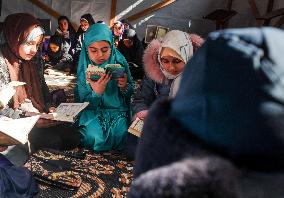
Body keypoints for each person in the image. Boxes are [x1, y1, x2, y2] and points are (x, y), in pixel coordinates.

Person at [129, 27, 284, 198]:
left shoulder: (201, 82)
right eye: (164, 61)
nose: (170, 67)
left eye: (176, 60)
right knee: (129, 140)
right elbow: (141, 98)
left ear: (187, 57)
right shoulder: (154, 76)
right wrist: (142, 112)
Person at [0, 13, 81, 155]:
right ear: (15, 38)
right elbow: (2, 109)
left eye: (37, 45)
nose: (34, 50)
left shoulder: (36, 60)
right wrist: (28, 117)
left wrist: (49, 106)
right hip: (15, 120)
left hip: (37, 112)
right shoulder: (2, 63)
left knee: (73, 136)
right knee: (52, 141)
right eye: (29, 43)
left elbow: (43, 86)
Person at [75, 23, 134, 151]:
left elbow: (131, 93)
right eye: (93, 50)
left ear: (112, 46)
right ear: (86, 49)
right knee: (91, 137)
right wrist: (96, 93)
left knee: (123, 135)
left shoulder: (119, 61)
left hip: (117, 111)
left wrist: (124, 87)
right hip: (92, 112)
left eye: (105, 49)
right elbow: (82, 103)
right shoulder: (84, 66)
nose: (100, 55)